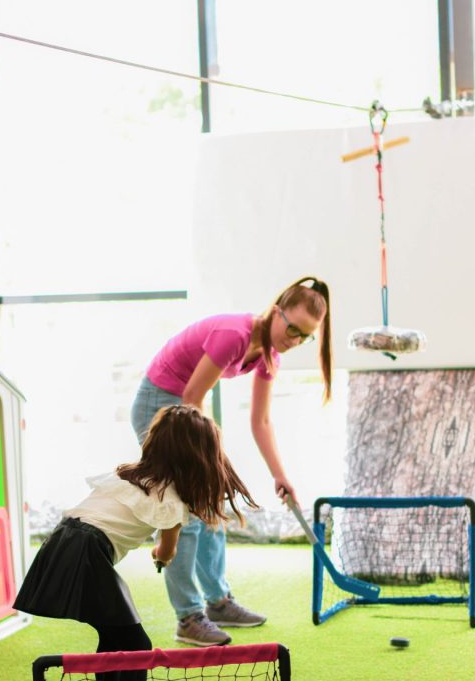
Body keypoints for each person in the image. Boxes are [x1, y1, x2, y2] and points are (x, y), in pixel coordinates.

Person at [14, 405, 256, 681]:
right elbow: (166, 551)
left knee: (114, 638)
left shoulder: (125, 475)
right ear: (197, 455)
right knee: (135, 644)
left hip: (62, 541)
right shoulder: (171, 499)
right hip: (86, 551)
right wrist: (161, 556)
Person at [131, 276, 332, 647]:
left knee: (213, 502)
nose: (294, 340)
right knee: (185, 511)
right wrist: (211, 460)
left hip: (186, 409)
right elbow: (192, 396)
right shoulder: (234, 335)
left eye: (305, 337)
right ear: (276, 312)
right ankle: (188, 617)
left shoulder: (269, 356)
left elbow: (261, 421)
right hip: (158, 406)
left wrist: (280, 476)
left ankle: (218, 602)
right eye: (292, 329)